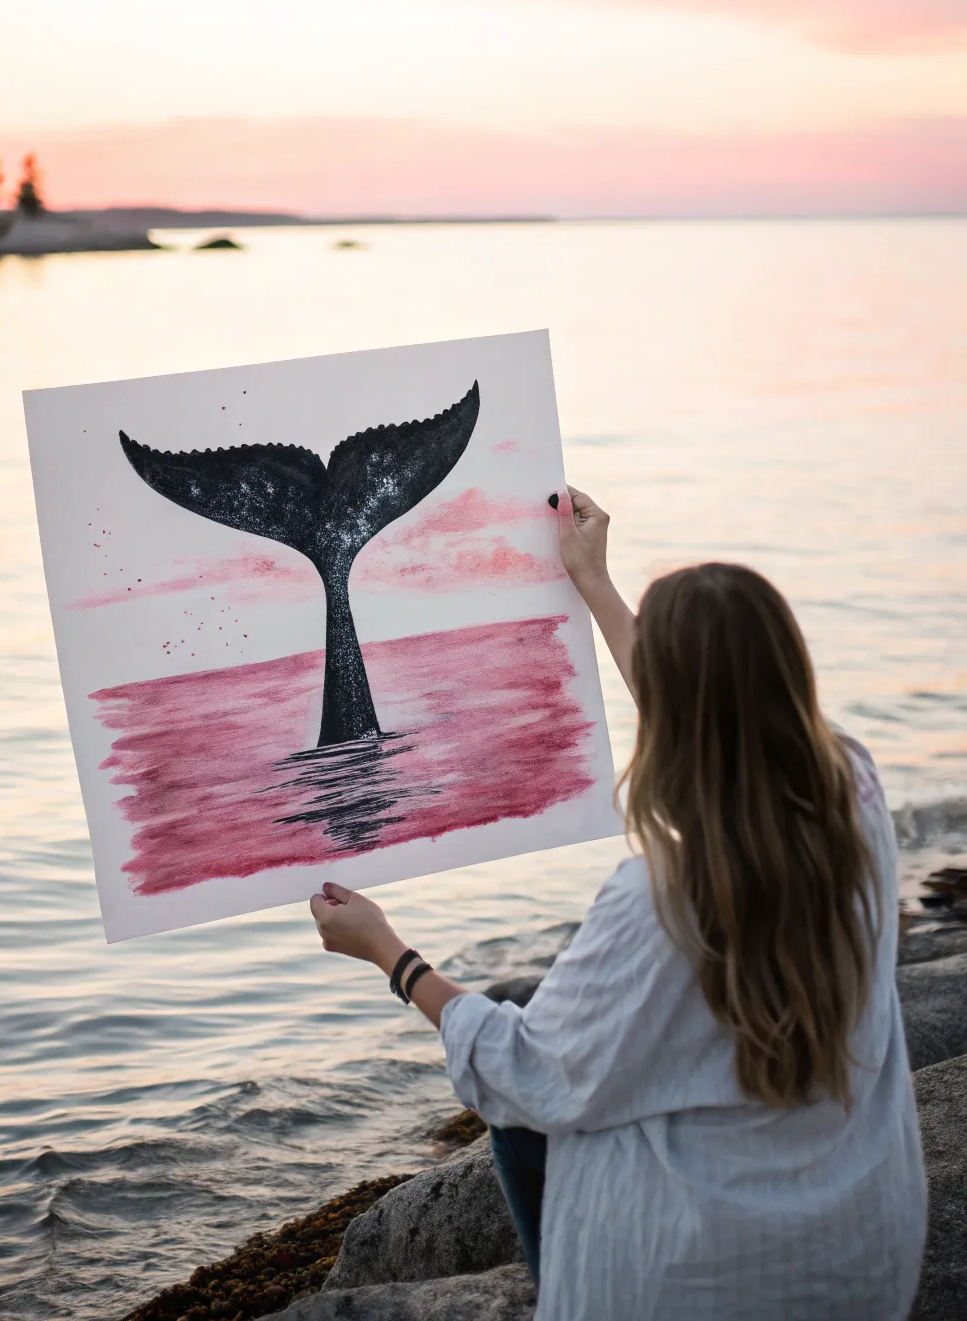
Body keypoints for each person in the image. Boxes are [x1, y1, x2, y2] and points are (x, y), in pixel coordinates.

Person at [310, 487, 927, 1320]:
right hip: (863, 1255)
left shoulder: (663, 898)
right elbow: (715, 723)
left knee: (525, 1092)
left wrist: (391, 952)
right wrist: (594, 585)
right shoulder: (852, 788)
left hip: (708, 1283)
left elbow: (520, 1073)